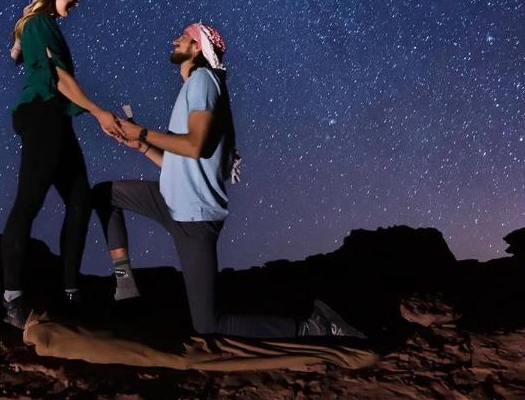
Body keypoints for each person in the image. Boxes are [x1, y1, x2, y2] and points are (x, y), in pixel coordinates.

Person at [93, 23, 364, 339]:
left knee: (207, 324)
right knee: (104, 194)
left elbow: (194, 145)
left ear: (196, 47)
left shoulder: (203, 81)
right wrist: (140, 144)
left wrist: (139, 131)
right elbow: (179, 165)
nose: (174, 39)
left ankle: (313, 327)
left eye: (182, 36)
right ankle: (125, 286)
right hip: (170, 199)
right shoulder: (192, 88)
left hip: (194, 217)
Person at [1, 0, 118, 329]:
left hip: (57, 118)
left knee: (80, 200)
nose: (77, 1)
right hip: (41, 116)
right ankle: (13, 299)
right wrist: (99, 112)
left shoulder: (46, 25)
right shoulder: (37, 23)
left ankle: (71, 291)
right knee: (29, 202)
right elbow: (60, 77)